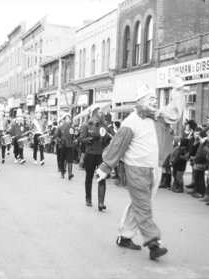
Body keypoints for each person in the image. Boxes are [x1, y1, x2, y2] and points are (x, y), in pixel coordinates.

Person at [96, 78, 185, 260]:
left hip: (155, 168)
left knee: (140, 204)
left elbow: (175, 113)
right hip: (136, 169)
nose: (153, 102)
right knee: (143, 205)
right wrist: (105, 167)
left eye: (154, 99)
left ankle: (125, 237)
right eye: (149, 99)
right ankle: (153, 243)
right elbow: (117, 145)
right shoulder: (131, 122)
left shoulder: (159, 116)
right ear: (140, 102)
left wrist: (178, 90)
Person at [79, 106, 112, 210]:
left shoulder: (104, 125)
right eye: (99, 112)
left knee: (102, 177)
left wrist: (107, 139)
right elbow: (82, 139)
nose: (100, 114)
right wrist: (91, 139)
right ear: (94, 113)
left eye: (102, 112)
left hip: (101, 155)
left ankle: (101, 202)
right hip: (90, 154)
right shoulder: (86, 125)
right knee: (89, 177)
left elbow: (106, 138)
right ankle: (88, 198)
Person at [55, 113, 76, 180]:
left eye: (69, 118)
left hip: (70, 146)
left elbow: (73, 136)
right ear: (64, 119)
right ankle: (62, 173)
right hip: (62, 146)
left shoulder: (72, 127)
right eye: (67, 118)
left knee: (70, 161)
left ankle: (70, 174)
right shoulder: (60, 127)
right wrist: (60, 140)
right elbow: (56, 135)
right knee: (63, 160)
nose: (68, 120)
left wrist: (75, 138)